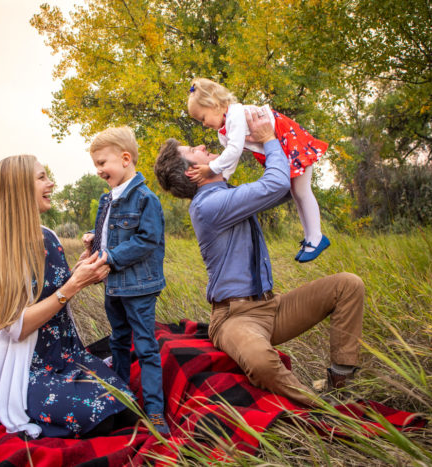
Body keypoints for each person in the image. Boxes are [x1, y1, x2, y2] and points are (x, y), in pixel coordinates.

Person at [154, 108, 364, 407]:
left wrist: (283, 138)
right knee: (262, 362)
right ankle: (322, 408)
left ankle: (340, 380)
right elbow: (275, 185)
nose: (202, 146)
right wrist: (268, 141)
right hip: (235, 318)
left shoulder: (228, 195)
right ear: (191, 172)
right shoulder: (208, 206)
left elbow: (285, 188)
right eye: (193, 150)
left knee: (348, 285)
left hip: (270, 307)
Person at [0, 155, 137, 439]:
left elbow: (54, 288)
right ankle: (31, 408)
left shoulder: (47, 236)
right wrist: (73, 286)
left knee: (127, 406)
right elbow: (16, 328)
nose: (51, 184)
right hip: (28, 370)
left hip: (67, 356)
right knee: (100, 416)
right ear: (19, 187)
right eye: (42, 178)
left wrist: (83, 269)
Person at [81, 127, 169, 434]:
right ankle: (120, 398)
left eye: (102, 163)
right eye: (96, 165)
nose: (99, 170)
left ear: (126, 158)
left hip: (139, 287)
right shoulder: (108, 199)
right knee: (117, 340)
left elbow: (147, 240)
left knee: (145, 346)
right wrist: (95, 240)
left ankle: (155, 410)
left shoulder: (145, 199)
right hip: (113, 285)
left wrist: (110, 257)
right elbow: (110, 233)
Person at [186, 77, 330, 262]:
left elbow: (235, 149)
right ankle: (311, 236)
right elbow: (233, 157)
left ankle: (316, 237)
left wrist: (212, 169)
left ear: (215, 104)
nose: (203, 124)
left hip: (289, 142)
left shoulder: (236, 114)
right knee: (296, 193)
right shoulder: (224, 131)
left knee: (302, 191)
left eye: (203, 118)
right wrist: (224, 178)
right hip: (281, 149)